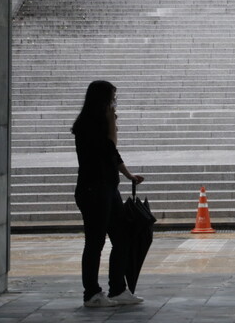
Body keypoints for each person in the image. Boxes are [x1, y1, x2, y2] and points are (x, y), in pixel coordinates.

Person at [72, 80, 145, 308]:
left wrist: (128, 175)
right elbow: (109, 146)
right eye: (112, 98)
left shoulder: (98, 122)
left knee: (122, 237)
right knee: (95, 242)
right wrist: (112, 124)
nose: (114, 103)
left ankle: (117, 289)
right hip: (94, 190)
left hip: (108, 188)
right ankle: (92, 293)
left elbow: (113, 155)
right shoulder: (88, 125)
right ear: (102, 99)